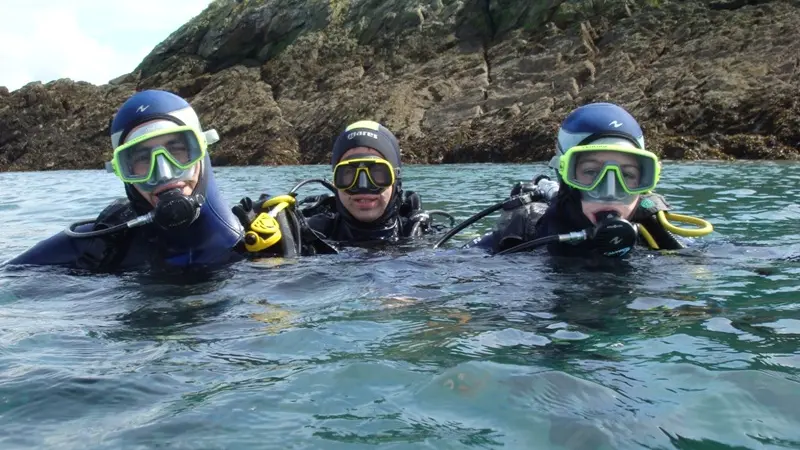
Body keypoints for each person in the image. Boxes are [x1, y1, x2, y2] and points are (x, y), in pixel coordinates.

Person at [6, 90, 301, 272]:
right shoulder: (103, 246)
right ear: (122, 172)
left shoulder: (277, 239)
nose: (164, 172)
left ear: (202, 150)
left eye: (177, 150)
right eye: (141, 159)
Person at [435, 102, 713, 257]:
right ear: (564, 176)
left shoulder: (661, 239)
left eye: (628, 175)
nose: (610, 190)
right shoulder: (526, 235)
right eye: (591, 173)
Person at [286, 120, 453, 249]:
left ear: (396, 180)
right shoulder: (307, 235)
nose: (363, 186)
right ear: (335, 182)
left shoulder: (425, 236)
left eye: (377, 173)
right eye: (349, 174)